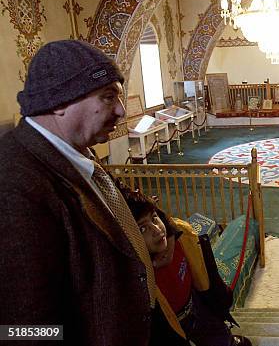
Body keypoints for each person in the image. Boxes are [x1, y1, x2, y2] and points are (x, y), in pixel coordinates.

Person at [0, 40, 185, 345]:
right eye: (108, 97)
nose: (122, 111)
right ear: (59, 103)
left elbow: (121, 199)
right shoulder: (14, 184)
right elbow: (25, 328)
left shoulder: (75, 150)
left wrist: (171, 231)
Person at [123, 189, 251, 346]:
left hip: (196, 303)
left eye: (154, 219)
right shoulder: (136, 277)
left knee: (217, 335)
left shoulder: (181, 239)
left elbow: (171, 224)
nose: (157, 230)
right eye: (143, 228)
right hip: (170, 324)